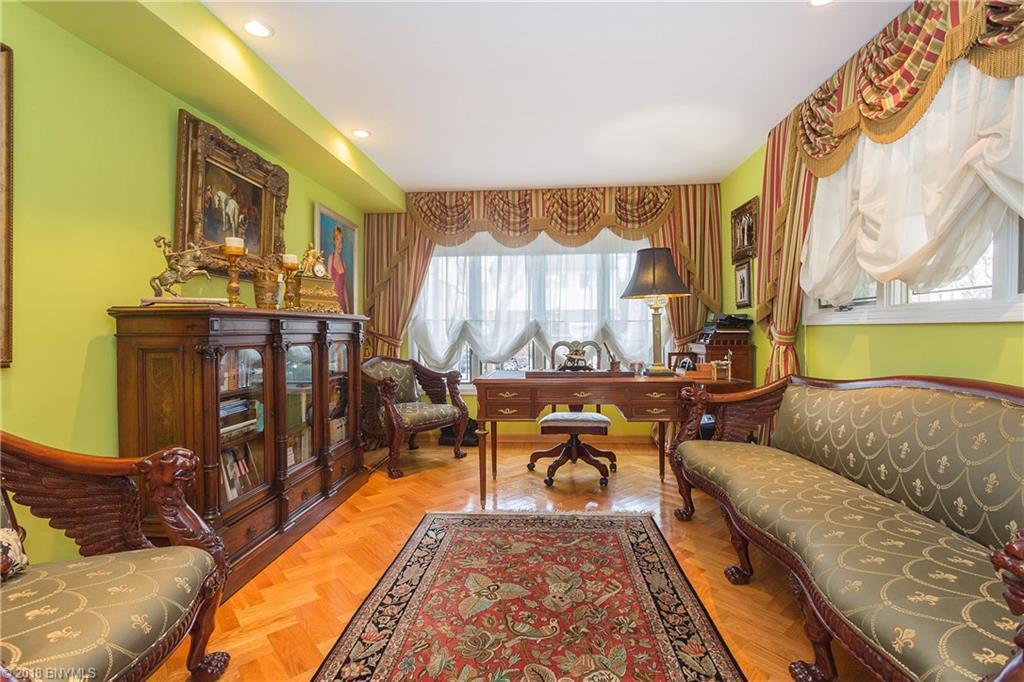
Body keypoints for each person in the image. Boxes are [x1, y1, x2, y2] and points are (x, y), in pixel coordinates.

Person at [329, 226, 351, 312]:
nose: (339, 244)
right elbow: (329, 284)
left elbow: (344, 288)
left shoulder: (344, 264)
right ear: (334, 242)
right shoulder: (330, 258)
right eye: (337, 239)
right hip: (333, 303)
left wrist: (348, 309)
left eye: (341, 241)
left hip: (342, 304)